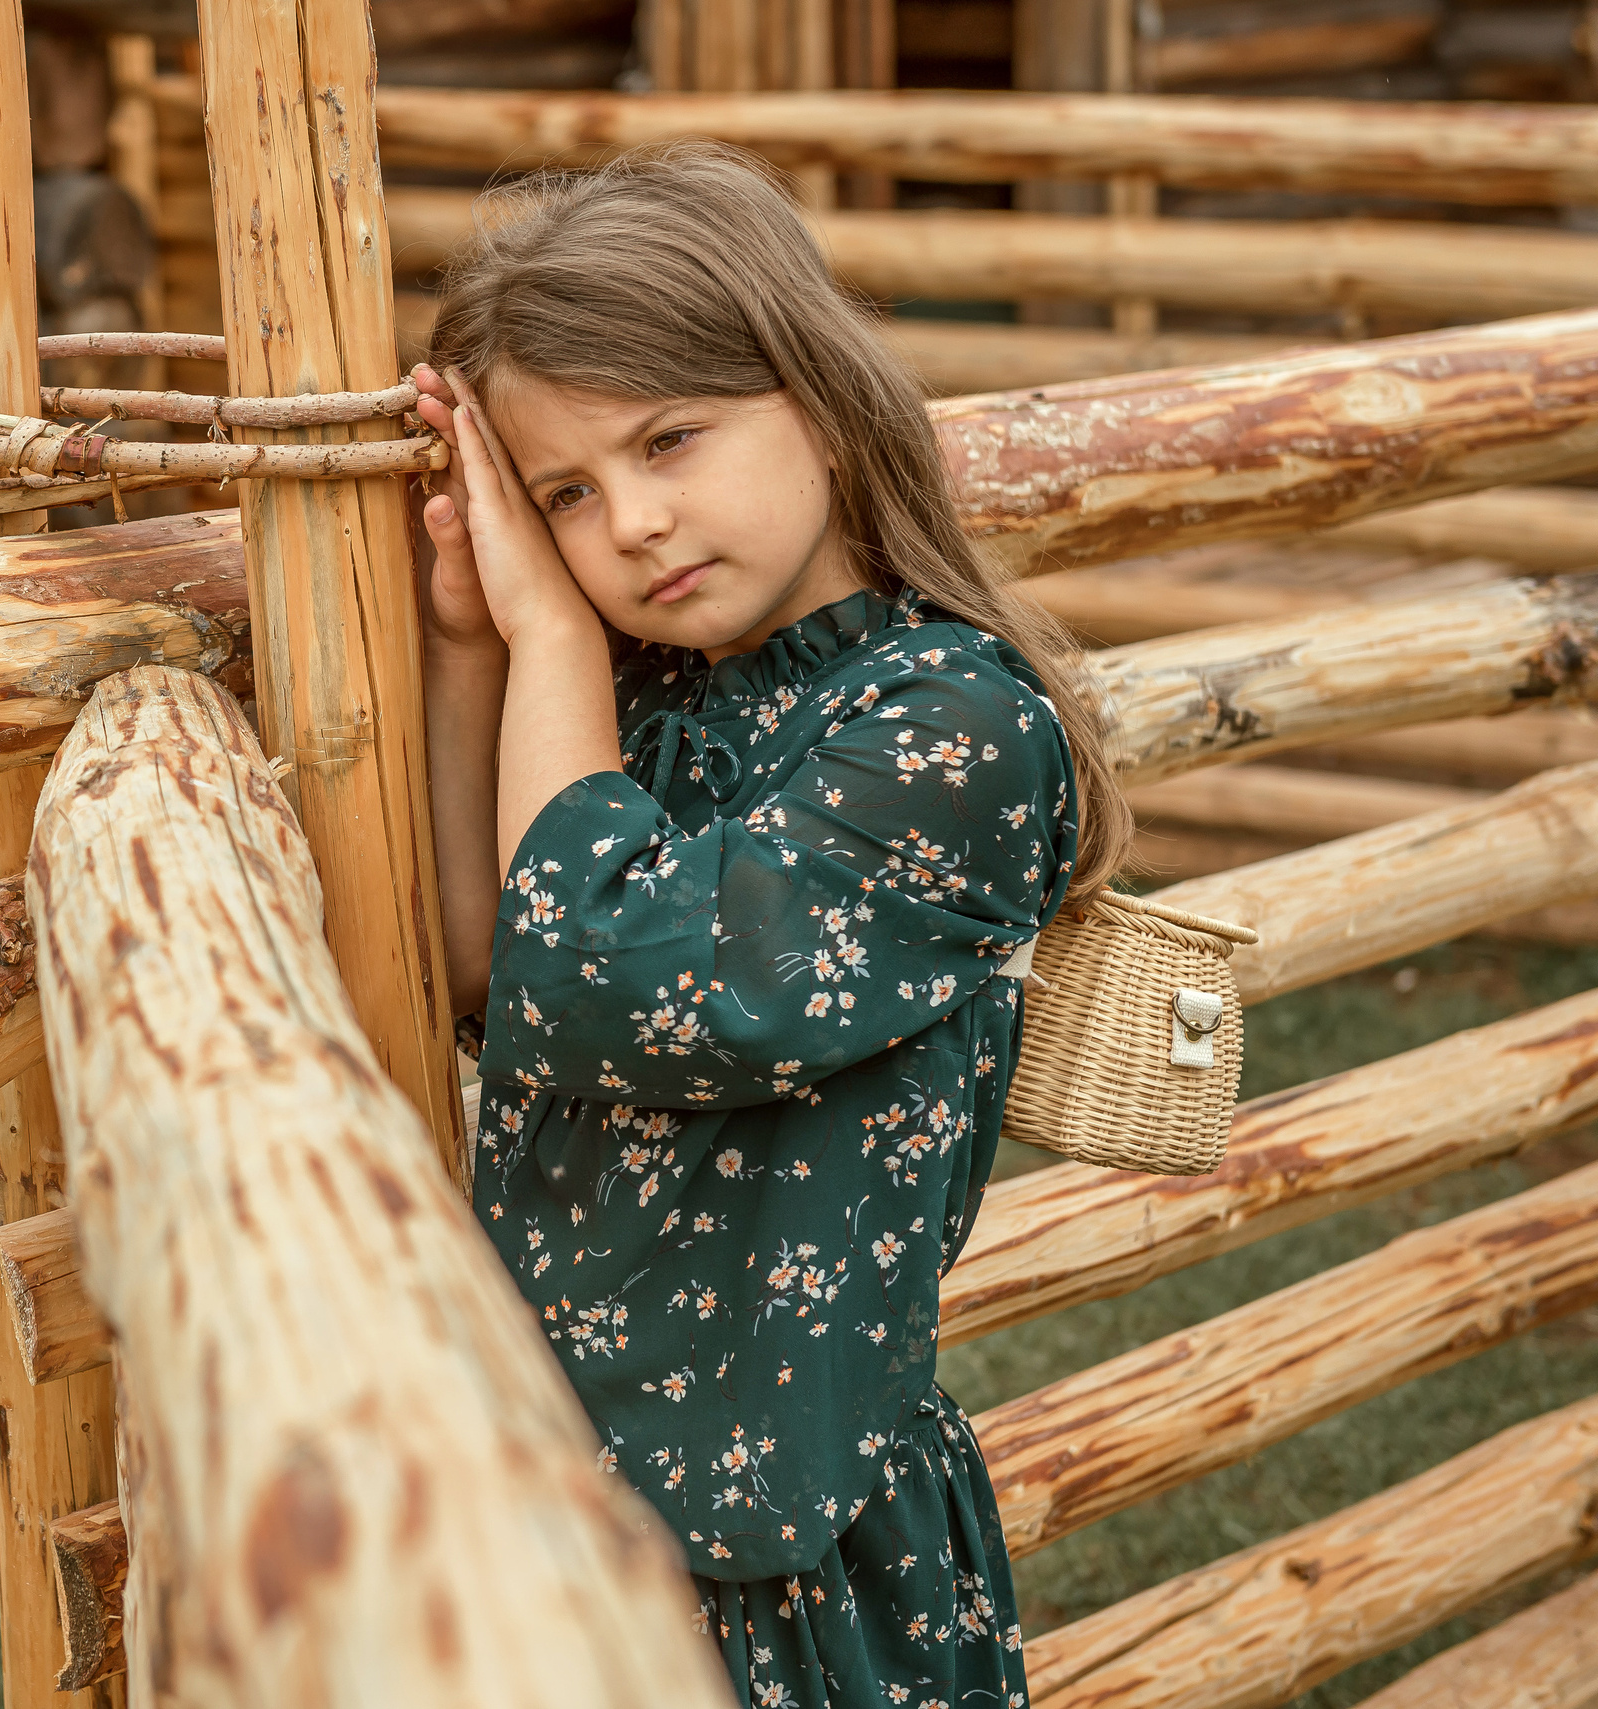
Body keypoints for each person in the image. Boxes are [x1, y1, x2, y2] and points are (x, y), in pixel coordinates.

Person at [411, 143, 1133, 1709]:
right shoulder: (641, 701)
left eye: (671, 437)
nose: (635, 523)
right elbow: (491, 967)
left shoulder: (946, 723)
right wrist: (477, 643)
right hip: (554, 1480)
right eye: (565, 498)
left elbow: (617, 976)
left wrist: (545, 629)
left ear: (815, 392)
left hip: (777, 1534)